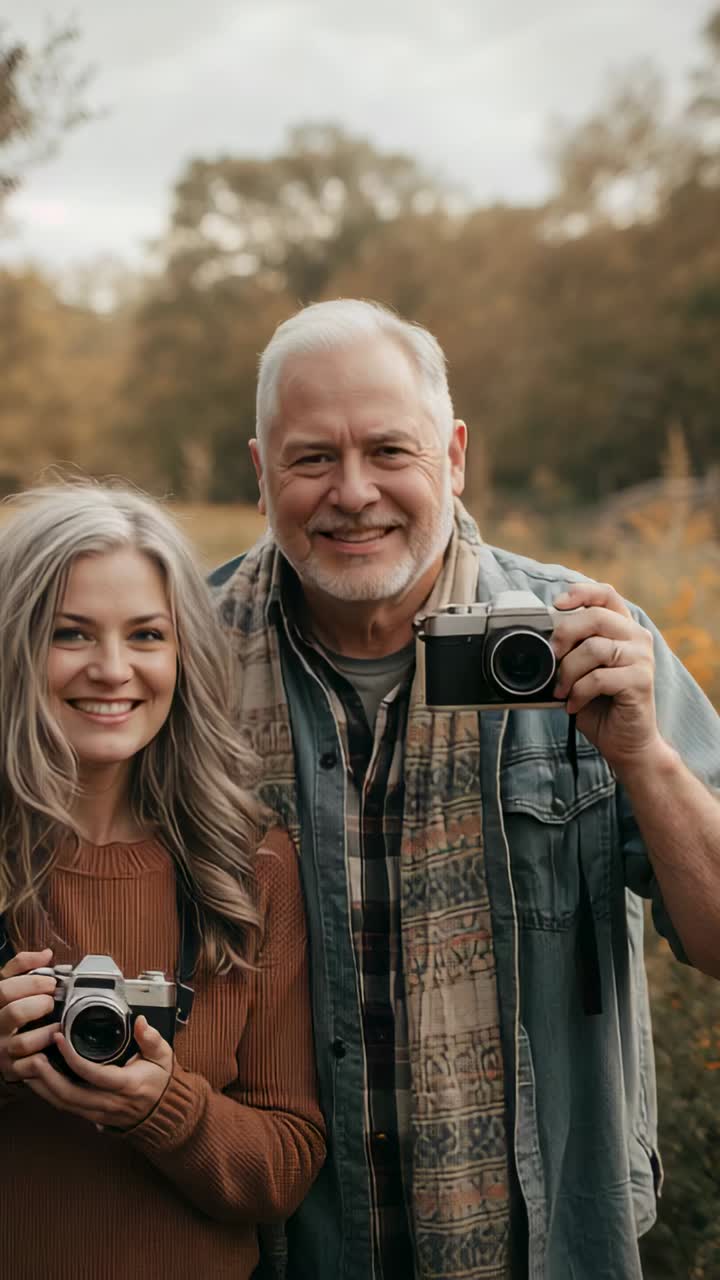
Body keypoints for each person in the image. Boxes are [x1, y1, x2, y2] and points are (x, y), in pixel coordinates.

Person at [210, 297, 720, 1280]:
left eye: (388, 450)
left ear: (452, 455)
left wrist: (645, 758)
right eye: (313, 458)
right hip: (276, 1246)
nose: (353, 492)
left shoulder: (587, 640)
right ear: (261, 471)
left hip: (543, 1242)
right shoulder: (179, 658)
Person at [0, 483, 325, 1280]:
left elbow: (285, 1166)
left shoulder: (250, 866)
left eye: (147, 634)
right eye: (70, 633)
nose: (113, 670)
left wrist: (163, 1108)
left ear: (185, 655)